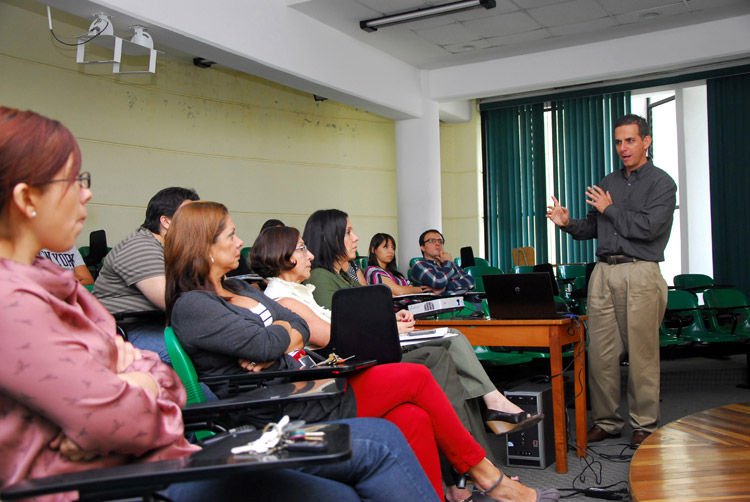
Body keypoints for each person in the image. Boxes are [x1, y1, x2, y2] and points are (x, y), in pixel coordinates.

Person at [0, 106, 447, 502]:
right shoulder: (14, 304)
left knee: (390, 431)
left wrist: (136, 381)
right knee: (377, 447)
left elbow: (164, 384)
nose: (87, 194)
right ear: (26, 199)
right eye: (75, 180)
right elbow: (120, 423)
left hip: (166, 451)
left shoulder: (62, 287)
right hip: (129, 475)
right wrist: (130, 385)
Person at [165, 202, 559, 502]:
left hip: (312, 384)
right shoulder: (194, 305)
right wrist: (281, 335)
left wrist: (283, 334)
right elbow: (270, 340)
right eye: (230, 236)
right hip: (282, 405)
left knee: (411, 417)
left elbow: (297, 326)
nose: (239, 242)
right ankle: (488, 478)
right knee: (418, 376)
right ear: (204, 247)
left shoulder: (243, 288)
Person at [301, 211, 543, 432]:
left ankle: (491, 409)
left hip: (380, 342)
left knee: (452, 342)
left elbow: (463, 284)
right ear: (328, 238)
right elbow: (341, 330)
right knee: (449, 343)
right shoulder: (323, 278)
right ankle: (493, 403)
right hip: (370, 355)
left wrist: (391, 316)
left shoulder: (345, 275)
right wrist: (390, 324)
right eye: (348, 232)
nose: (356, 238)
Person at [546, 113, 676, 448]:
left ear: (646, 141)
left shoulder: (662, 183)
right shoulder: (608, 180)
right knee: (600, 353)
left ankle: (644, 425)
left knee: (642, 354)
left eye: (630, 140)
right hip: (603, 272)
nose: (623, 148)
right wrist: (567, 223)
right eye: (618, 141)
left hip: (641, 271)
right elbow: (594, 226)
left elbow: (649, 228)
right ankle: (606, 421)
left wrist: (610, 209)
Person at [93, 186, 200, 362]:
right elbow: (170, 299)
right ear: (166, 222)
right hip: (127, 331)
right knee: (201, 356)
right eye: (189, 217)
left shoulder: (173, 250)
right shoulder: (140, 246)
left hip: (160, 325)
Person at [411, 229, 475, 294]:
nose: (437, 243)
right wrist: (447, 262)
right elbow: (438, 282)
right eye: (432, 241)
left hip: (466, 300)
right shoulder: (419, 265)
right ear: (422, 247)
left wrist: (445, 288)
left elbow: (471, 281)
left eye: (440, 241)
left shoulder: (449, 264)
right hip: (441, 303)